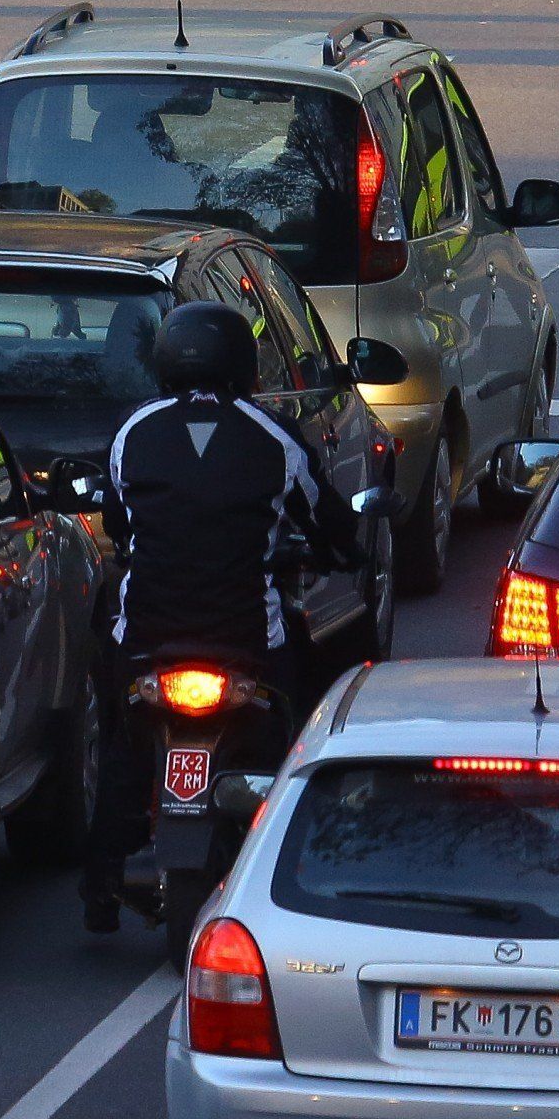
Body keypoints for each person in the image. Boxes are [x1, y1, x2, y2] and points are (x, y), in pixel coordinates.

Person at [79, 300, 354, 933]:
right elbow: (326, 519)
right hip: (246, 642)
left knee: (123, 748)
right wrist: (351, 547)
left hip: (145, 635)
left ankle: (98, 885)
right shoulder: (274, 436)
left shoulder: (134, 430)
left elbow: (119, 524)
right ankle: (295, 862)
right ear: (242, 362)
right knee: (294, 735)